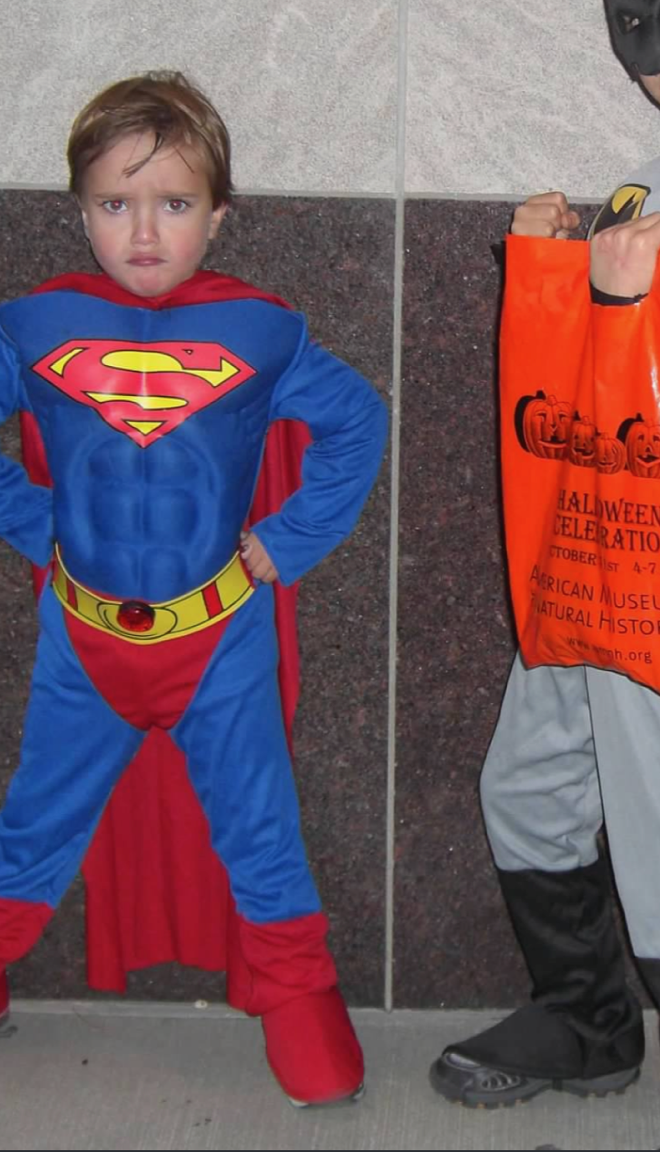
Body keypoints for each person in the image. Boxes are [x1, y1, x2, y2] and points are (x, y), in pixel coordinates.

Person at [0, 70, 387, 1107]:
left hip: (217, 638)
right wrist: (31, 522)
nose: (143, 232)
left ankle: (292, 991)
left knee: (257, 825)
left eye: (174, 203)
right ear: (80, 211)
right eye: (115, 202)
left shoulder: (258, 333)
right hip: (84, 640)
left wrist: (288, 542)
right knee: (35, 817)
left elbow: (355, 421)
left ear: (218, 217)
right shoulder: (42, 325)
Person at [430, 2, 660, 1109]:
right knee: (526, 782)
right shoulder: (646, 186)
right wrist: (563, 275)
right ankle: (585, 1020)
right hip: (599, 564)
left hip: (647, 602)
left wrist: (614, 307)